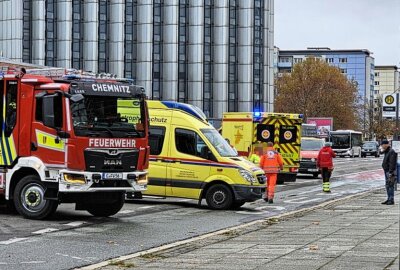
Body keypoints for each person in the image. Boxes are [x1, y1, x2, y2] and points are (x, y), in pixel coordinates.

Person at [381, 139, 397, 205]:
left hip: (390, 171)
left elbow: (392, 163)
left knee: (390, 185)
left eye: (382, 144)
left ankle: (391, 199)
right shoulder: (387, 151)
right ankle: (389, 198)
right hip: (387, 170)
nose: (382, 146)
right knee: (388, 185)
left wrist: (391, 172)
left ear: (386, 144)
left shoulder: (391, 151)